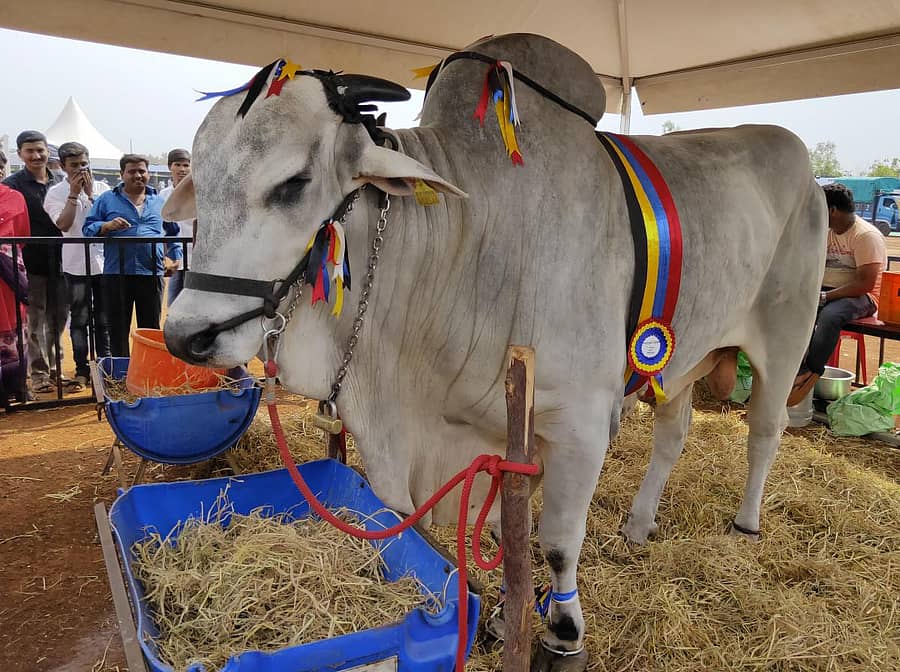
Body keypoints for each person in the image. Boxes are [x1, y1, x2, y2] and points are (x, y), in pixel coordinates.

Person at [788, 183, 887, 405]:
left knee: (830, 315)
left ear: (832, 210)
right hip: (828, 292)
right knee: (791, 307)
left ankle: (810, 371)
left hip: (862, 297)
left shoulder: (865, 236)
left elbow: (866, 284)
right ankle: (787, 364)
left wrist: (825, 298)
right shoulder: (828, 233)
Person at [83, 154, 181, 356]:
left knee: (151, 327)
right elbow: (87, 228)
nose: (138, 175)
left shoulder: (160, 201)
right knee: (118, 327)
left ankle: (148, 372)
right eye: (132, 171)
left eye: (142, 171)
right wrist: (106, 226)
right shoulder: (107, 200)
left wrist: (176, 254)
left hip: (151, 273)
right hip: (117, 272)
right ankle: (121, 374)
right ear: (122, 174)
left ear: (148, 173)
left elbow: (173, 231)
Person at [2, 130, 66, 394]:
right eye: (30, 151)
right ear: (20, 154)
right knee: (35, 320)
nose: (37, 155)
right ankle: (38, 374)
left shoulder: (61, 181)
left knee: (60, 318)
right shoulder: (13, 186)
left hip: (63, 261)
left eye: (41, 150)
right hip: (31, 264)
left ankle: (57, 369)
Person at [44, 142, 111, 391]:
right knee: (80, 320)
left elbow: (105, 221)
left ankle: (106, 369)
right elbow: (63, 224)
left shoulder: (103, 189)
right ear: (62, 166)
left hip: (104, 264)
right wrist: (73, 194)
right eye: (74, 165)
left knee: (104, 320)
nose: (81, 170)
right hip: (75, 265)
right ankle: (82, 369)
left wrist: (91, 194)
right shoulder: (55, 193)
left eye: (84, 164)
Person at [0, 183, 30, 404]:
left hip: (8, 270)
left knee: (14, 322)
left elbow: (22, 235)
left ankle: (15, 388)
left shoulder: (14, 197)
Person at [158, 148, 193, 305]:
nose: (182, 169)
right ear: (169, 167)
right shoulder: (163, 195)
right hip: (174, 259)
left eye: (186, 165)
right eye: (177, 165)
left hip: (195, 256)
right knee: (173, 303)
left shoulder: (198, 193)